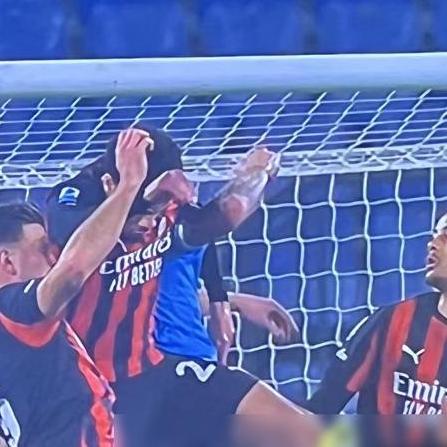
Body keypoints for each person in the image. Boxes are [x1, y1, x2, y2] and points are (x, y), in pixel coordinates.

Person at [46, 126, 315, 447]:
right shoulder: (71, 201)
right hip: (89, 387)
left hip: (155, 369)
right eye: (147, 211)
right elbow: (74, 248)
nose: (151, 223)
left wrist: (258, 173)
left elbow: (225, 214)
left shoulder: (166, 204)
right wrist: (132, 191)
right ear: (110, 184)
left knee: (305, 431)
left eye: (160, 210)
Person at [0, 128, 152, 447]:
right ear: (8, 262)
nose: (54, 256)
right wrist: (129, 185)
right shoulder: (14, 308)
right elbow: (73, 270)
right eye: (42, 248)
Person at [307, 212, 447, 416]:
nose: (432, 244)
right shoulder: (394, 319)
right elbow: (321, 406)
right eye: (434, 235)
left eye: (446, 236)